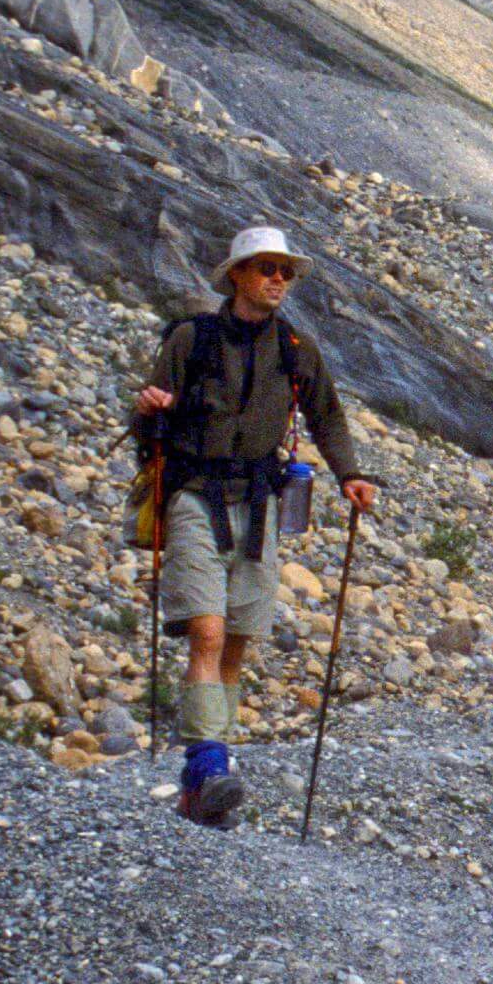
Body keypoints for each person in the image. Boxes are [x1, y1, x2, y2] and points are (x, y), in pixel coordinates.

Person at [133, 226, 377, 826]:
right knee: (209, 634)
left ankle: (209, 776)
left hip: (261, 502)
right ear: (238, 274)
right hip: (195, 494)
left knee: (238, 640)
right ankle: (207, 765)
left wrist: (351, 474)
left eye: (284, 271)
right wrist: (148, 412)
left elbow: (328, 417)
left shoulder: (297, 349)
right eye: (265, 268)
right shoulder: (191, 339)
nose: (276, 279)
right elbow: (145, 421)